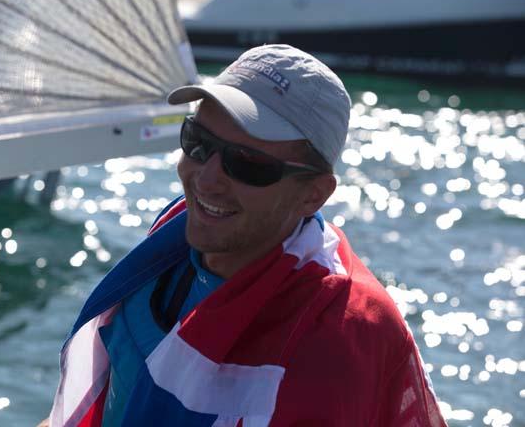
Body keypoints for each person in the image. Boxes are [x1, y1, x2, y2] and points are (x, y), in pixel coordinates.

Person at [43, 45, 447, 427]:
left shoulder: (343, 337)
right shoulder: (172, 236)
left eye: (249, 164)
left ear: (313, 195)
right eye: (198, 143)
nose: (207, 178)